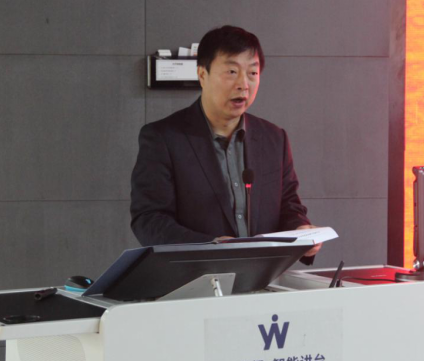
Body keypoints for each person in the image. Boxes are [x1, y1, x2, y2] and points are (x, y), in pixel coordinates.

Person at [130, 25, 321, 263]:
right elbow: (149, 219)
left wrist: (301, 229)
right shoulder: (164, 138)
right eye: (232, 71)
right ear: (202, 75)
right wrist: (210, 247)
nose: (243, 84)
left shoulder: (274, 138)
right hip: (194, 277)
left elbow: (289, 205)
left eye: (253, 73)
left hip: (263, 277)